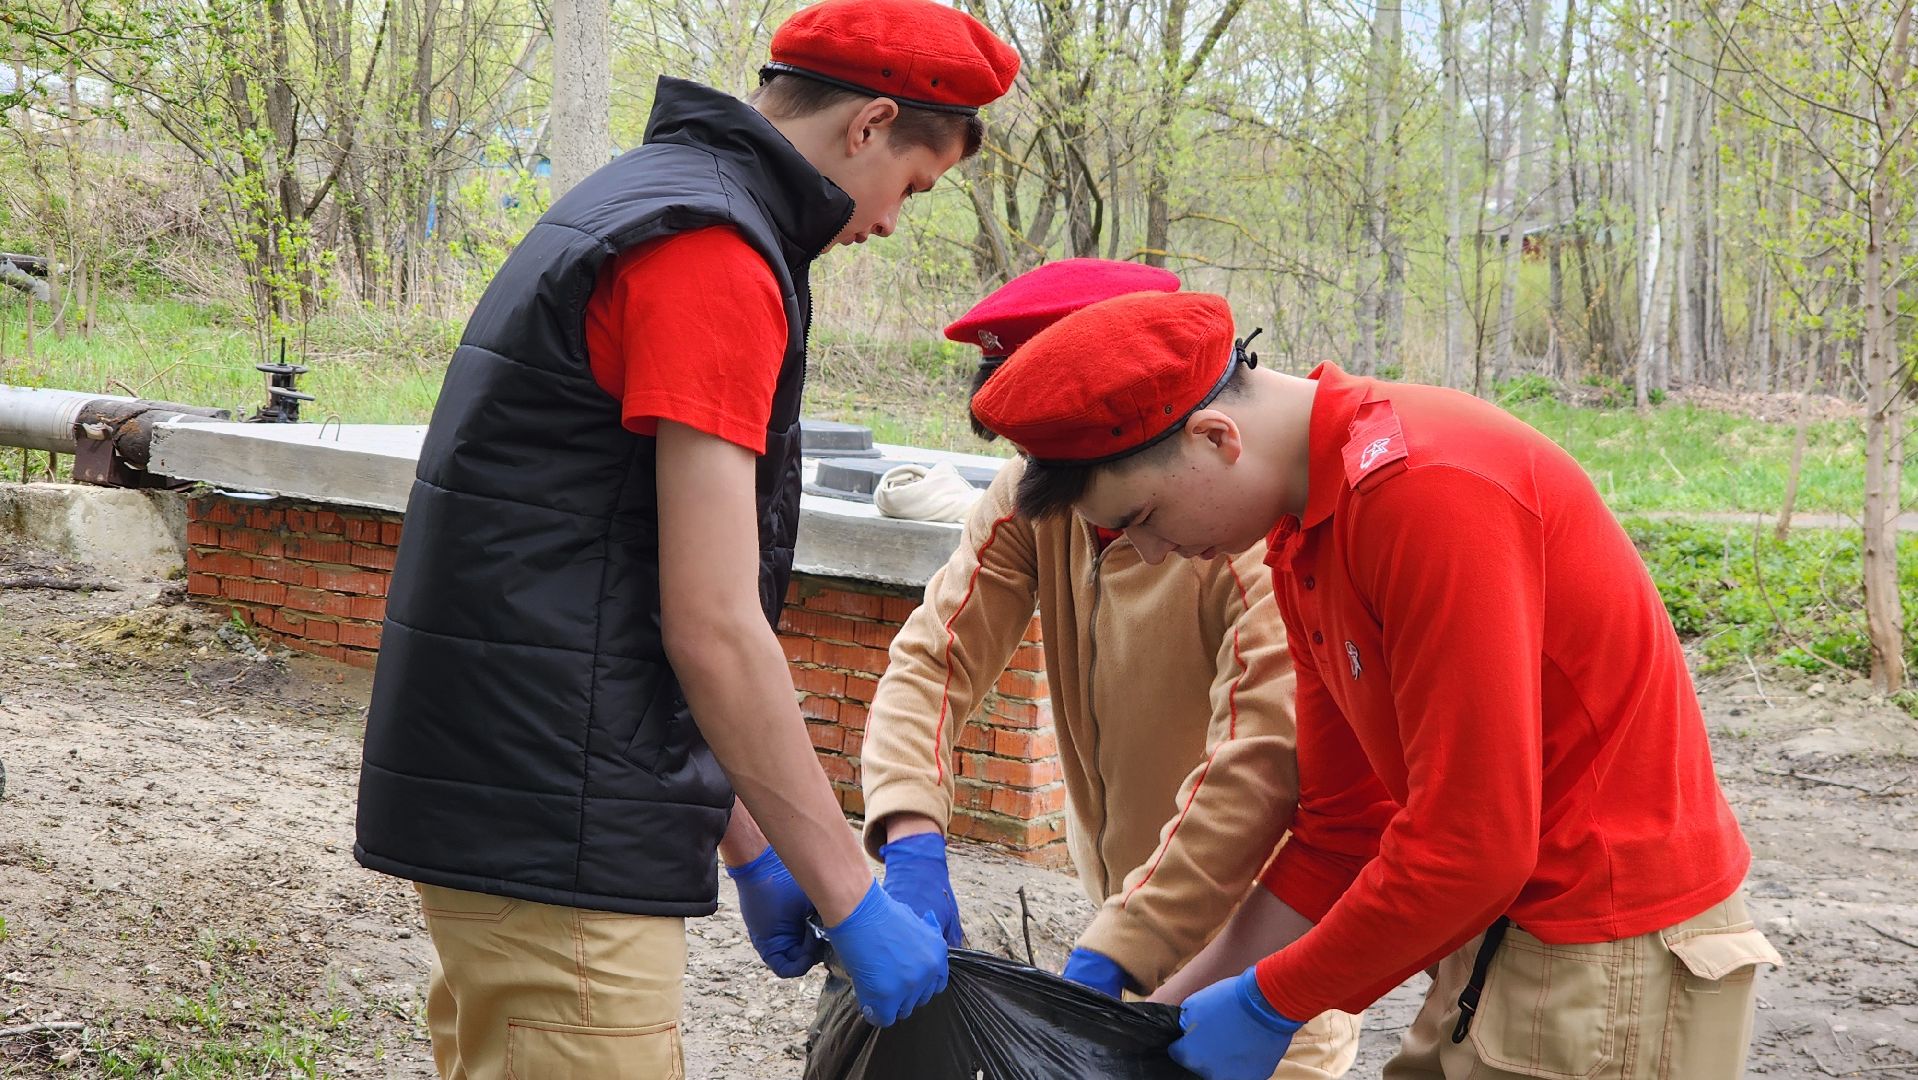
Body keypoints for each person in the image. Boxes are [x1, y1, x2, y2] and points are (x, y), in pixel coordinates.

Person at [352, 3, 1019, 1075]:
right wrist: (850, 895)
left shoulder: (650, 199)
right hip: (556, 824)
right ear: (870, 124)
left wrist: (749, 843)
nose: (894, 222)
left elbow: (604, 575)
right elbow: (711, 623)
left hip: (523, 795)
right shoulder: (712, 256)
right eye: (914, 185)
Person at [966, 289, 1783, 1080]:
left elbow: (1475, 846)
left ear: (1216, 437)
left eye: (1142, 518)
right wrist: (1159, 1017)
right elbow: (1342, 831)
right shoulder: (1304, 534)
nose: (1148, 554)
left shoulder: (1426, 492)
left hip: (1605, 951)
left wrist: (1269, 1003)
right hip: (1496, 942)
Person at [859, 259, 1372, 1078]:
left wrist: (1120, 948)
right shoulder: (1035, 500)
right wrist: (910, 829)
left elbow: (1258, 764)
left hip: (1257, 961)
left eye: (1054, 446)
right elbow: (933, 659)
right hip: (1126, 929)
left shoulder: (1243, 534)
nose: (1037, 471)